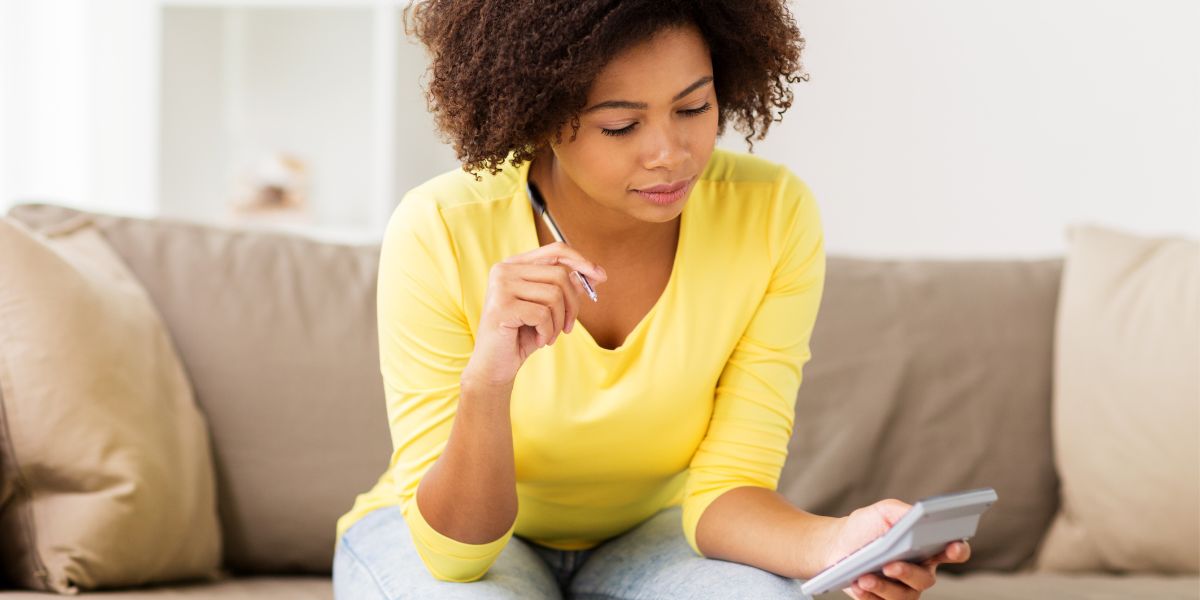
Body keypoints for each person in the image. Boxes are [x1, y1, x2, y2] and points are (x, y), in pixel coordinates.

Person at [333, 1, 971, 598]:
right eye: (622, 124)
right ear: (543, 116)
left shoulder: (773, 215)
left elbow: (729, 486)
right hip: (440, 531)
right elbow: (456, 557)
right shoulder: (440, 229)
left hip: (655, 532)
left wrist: (841, 541)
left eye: (693, 109)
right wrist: (489, 383)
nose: (671, 154)